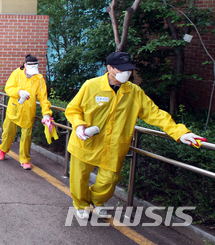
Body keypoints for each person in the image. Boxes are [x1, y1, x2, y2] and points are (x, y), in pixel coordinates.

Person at [66, 52, 207, 220]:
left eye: (129, 70)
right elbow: (73, 109)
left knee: (109, 179)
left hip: (114, 146)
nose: (127, 73)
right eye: (122, 69)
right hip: (86, 142)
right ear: (109, 68)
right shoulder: (91, 86)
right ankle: (81, 205)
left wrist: (180, 132)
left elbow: (155, 114)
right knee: (79, 178)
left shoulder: (134, 92)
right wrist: (79, 124)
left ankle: (97, 201)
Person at [0, 54, 53, 170]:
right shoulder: (16, 73)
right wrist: (19, 91)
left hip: (28, 111)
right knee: (8, 133)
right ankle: (3, 149)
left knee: (26, 137)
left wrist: (46, 113)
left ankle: (25, 159)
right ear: (25, 65)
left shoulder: (39, 79)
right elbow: (8, 88)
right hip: (14, 108)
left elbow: (43, 98)